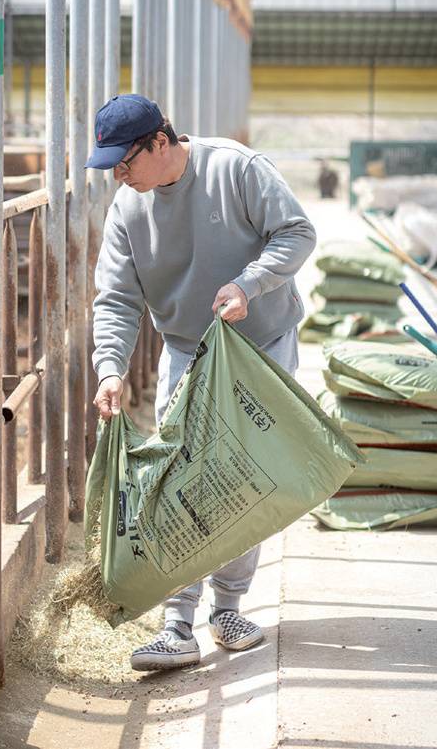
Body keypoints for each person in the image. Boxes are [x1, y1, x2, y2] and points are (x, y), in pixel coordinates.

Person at [86, 93, 316, 672]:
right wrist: (110, 367)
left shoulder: (235, 169)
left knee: (246, 474)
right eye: (111, 165)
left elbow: (296, 232)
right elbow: (116, 298)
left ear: (160, 142)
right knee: (179, 472)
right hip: (187, 346)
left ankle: (229, 608)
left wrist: (249, 283)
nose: (118, 175)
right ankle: (176, 624)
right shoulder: (128, 209)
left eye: (124, 162)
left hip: (260, 343)